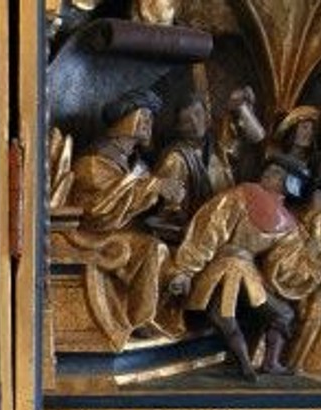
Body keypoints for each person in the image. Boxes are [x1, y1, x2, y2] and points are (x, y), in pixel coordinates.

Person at [167, 154, 312, 379]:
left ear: (290, 184)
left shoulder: (287, 223)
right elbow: (210, 230)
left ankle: (268, 362)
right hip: (225, 266)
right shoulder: (243, 195)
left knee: (277, 314)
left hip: (243, 270)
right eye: (269, 169)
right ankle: (246, 363)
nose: (268, 174)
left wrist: (312, 256)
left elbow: (281, 265)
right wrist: (185, 270)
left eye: (277, 173)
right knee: (226, 315)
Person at [65, 88, 185, 350]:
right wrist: (153, 187)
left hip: (123, 231)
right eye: (144, 117)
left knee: (173, 248)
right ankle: (141, 319)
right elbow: (98, 211)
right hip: (94, 235)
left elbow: (137, 195)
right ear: (127, 120)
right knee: (151, 248)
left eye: (151, 119)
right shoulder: (93, 161)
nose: (149, 125)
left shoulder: (134, 163)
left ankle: (165, 310)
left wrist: (165, 199)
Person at [153, 95, 235, 228]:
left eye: (198, 114)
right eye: (187, 121)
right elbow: (170, 209)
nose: (195, 124)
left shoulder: (216, 145)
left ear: (207, 114)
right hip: (196, 227)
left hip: (227, 219)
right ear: (179, 127)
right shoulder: (176, 159)